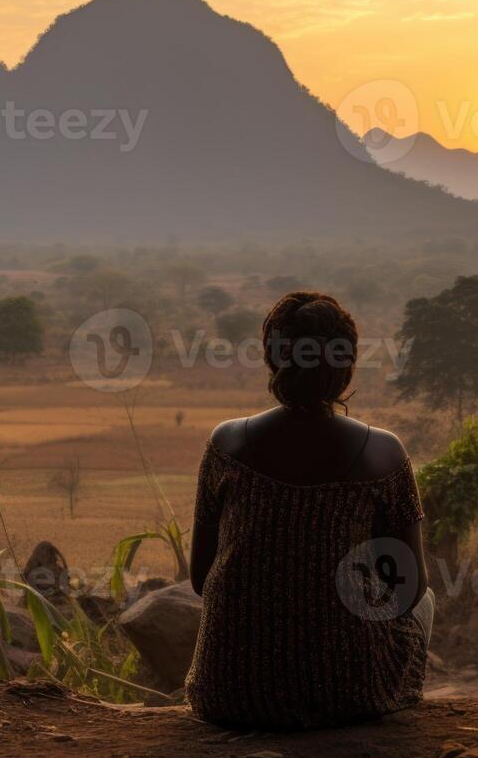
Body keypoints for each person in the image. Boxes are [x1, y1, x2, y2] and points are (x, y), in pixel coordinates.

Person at [184, 291, 433, 730]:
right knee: (427, 601)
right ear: (347, 363)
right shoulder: (384, 453)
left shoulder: (226, 444)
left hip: (230, 692)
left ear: (273, 358)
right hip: (350, 694)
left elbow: (203, 577)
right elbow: (408, 589)